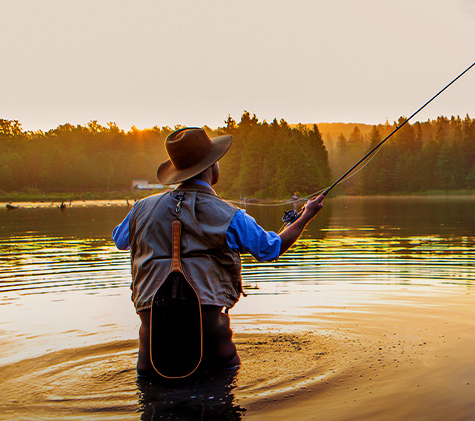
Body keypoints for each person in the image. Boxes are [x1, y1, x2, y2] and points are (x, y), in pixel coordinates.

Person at [113, 127, 324, 376]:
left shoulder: (140, 210)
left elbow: (120, 240)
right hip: (214, 355)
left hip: (150, 359)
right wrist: (305, 216)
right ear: (212, 166)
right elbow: (271, 248)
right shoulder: (229, 215)